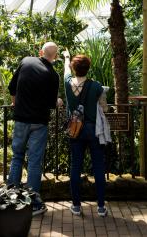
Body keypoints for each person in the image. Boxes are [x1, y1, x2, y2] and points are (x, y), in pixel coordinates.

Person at [8, 42, 62, 216]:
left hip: (21, 118)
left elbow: (12, 86)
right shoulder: (54, 76)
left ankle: (10, 196)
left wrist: (15, 103)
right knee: (34, 161)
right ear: (55, 57)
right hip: (39, 122)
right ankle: (32, 203)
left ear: (40, 52)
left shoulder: (26, 61)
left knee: (17, 156)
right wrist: (58, 102)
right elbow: (50, 103)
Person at [63, 49, 108, 217]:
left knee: (75, 166)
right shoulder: (96, 86)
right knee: (98, 167)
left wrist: (66, 57)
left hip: (75, 130)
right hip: (93, 130)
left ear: (74, 68)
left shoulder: (68, 83)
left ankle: (76, 205)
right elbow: (104, 107)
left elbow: (66, 71)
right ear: (88, 68)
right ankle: (101, 207)